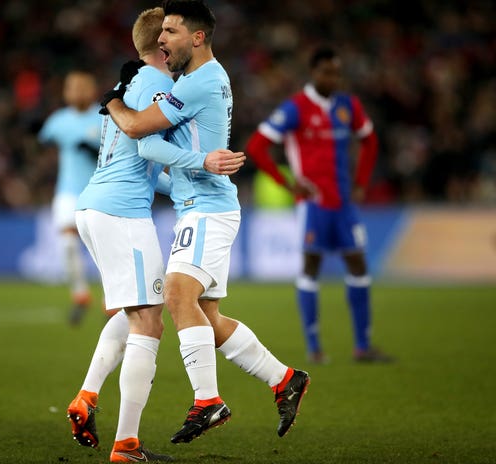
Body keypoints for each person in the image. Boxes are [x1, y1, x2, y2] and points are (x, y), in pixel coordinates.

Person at [103, 0, 310, 445]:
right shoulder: (199, 79)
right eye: (161, 34)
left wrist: (113, 101)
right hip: (200, 206)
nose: (162, 40)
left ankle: (207, 401)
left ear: (197, 37)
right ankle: (285, 378)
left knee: (177, 295)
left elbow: (139, 130)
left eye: (171, 32)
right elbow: (152, 148)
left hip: (207, 208)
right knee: (207, 318)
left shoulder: (199, 83)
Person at [66, 7, 242, 462]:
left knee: (135, 313)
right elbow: (144, 141)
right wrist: (203, 163)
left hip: (96, 205)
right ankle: (126, 444)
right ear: (162, 46)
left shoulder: (130, 85)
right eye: (166, 33)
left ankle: (87, 397)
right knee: (149, 321)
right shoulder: (160, 85)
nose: (170, 40)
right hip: (122, 212)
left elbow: (142, 165)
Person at [245, 46, 393, 364]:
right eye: (327, 72)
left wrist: (361, 183)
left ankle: (362, 346)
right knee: (311, 268)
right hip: (312, 205)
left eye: (337, 72)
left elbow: (370, 140)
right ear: (314, 73)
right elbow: (256, 147)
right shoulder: (296, 108)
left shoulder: (347, 105)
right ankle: (314, 348)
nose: (333, 78)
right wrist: (287, 183)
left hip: (344, 204)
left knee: (358, 265)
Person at [38, 70, 101, 325]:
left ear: (91, 90)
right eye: (70, 87)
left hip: (98, 191)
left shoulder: (104, 116)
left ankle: (113, 301)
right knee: (67, 244)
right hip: (66, 191)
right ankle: (80, 294)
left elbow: (120, 151)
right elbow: (41, 141)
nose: (74, 92)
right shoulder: (59, 120)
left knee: (103, 247)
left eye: (80, 87)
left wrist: (95, 151)